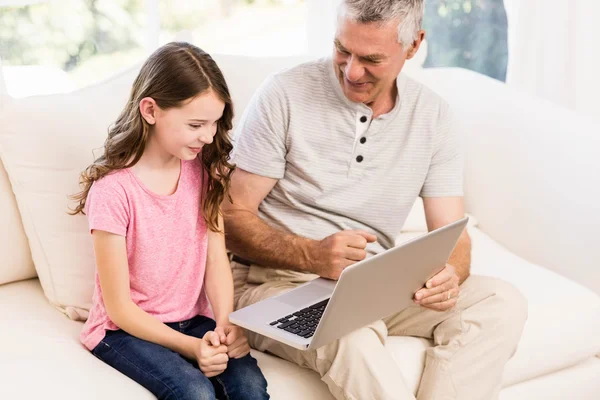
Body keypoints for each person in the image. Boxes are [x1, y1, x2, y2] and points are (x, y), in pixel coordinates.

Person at [222, 1, 527, 399]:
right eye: (342, 50)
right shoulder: (284, 93)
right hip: (277, 285)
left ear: (414, 45)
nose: (351, 70)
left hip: (376, 287)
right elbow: (228, 217)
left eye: (371, 59)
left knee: (499, 303)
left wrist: (449, 275)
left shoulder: (434, 117)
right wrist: (309, 254)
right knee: (350, 334)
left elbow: (454, 235)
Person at [71, 42, 269, 400]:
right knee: (195, 391)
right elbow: (119, 307)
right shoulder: (113, 191)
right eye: (196, 124)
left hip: (193, 320)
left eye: (214, 124)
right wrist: (192, 349)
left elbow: (215, 261)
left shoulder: (203, 172)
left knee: (250, 388)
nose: (209, 136)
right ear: (150, 110)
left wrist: (226, 323)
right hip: (122, 329)